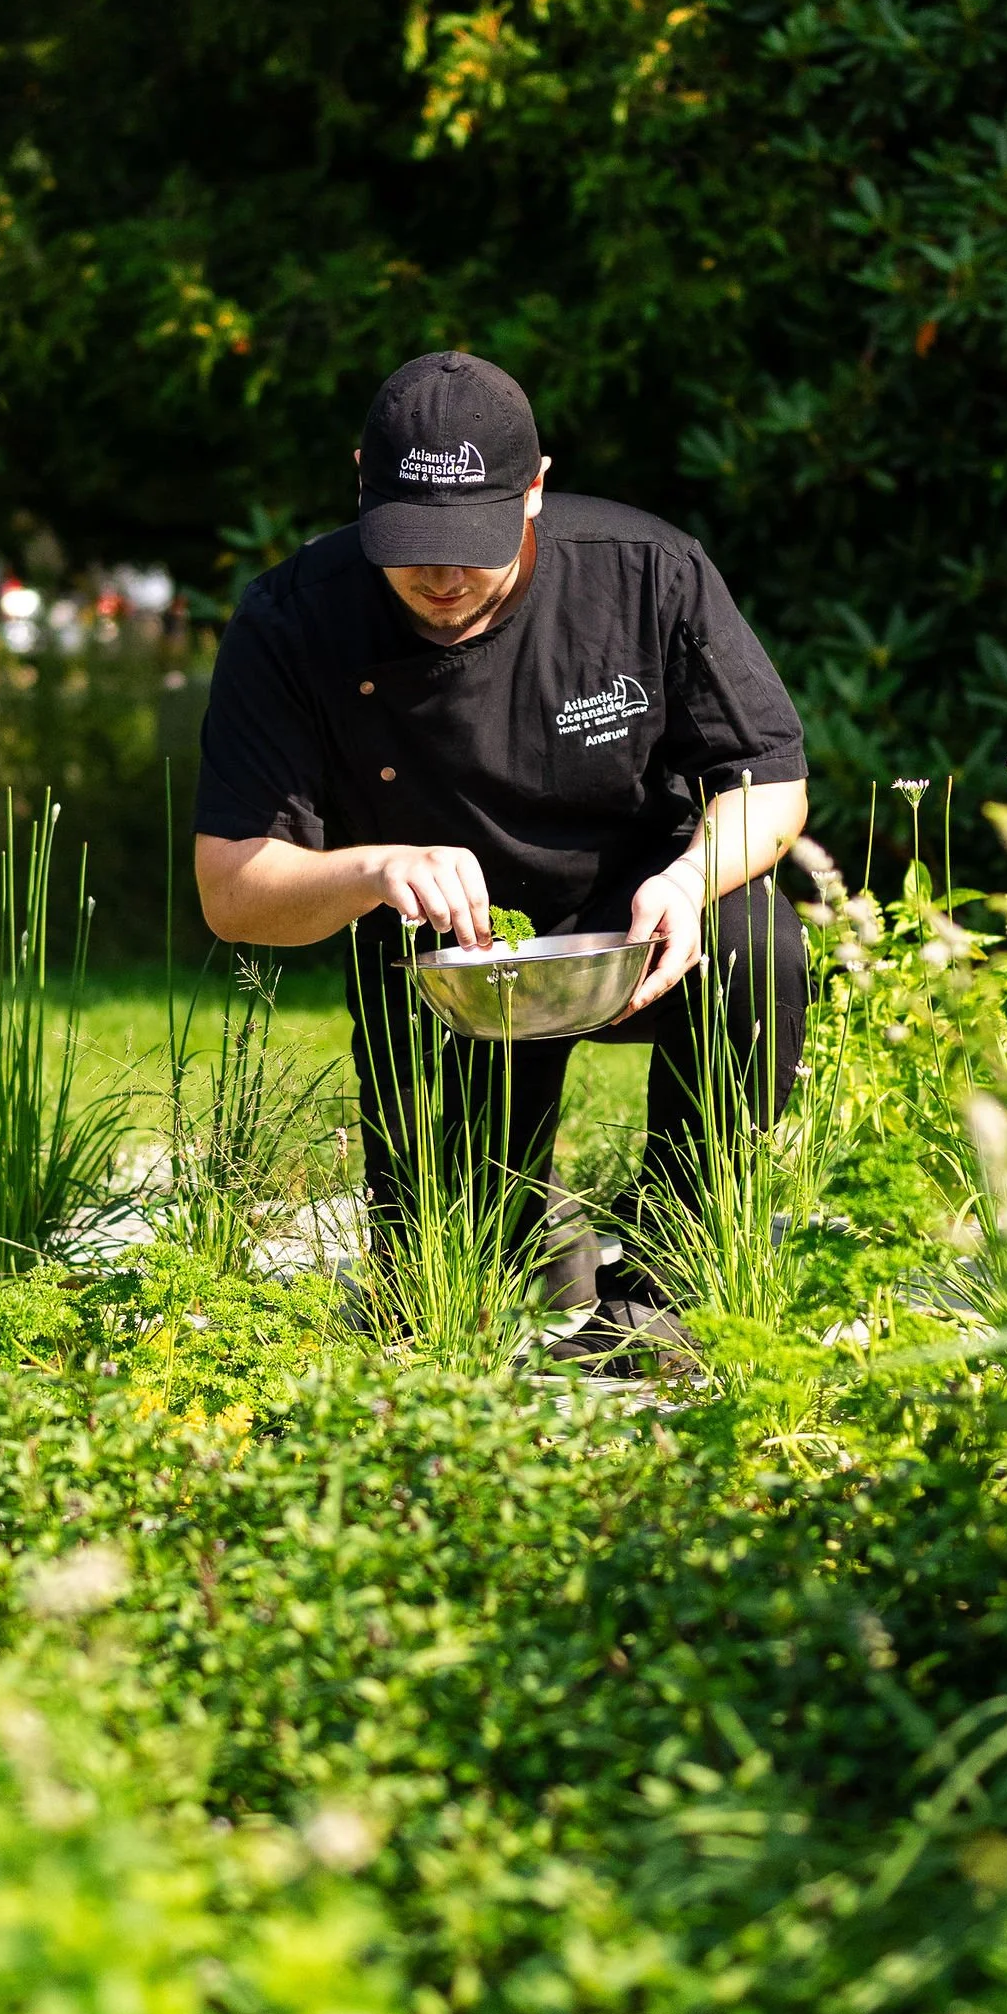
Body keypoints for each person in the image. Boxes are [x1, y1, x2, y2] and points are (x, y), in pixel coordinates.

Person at [192, 351, 808, 1347]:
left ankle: (670, 1272)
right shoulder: (291, 620)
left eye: (469, 544)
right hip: (433, 958)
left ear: (532, 490)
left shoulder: (644, 571)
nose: (439, 577)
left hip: (632, 917)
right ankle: (521, 1226)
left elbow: (769, 783)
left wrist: (692, 877)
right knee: (453, 1286)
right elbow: (230, 889)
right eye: (408, 544)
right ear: (361, 482)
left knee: (757, 943)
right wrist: (371, 867)